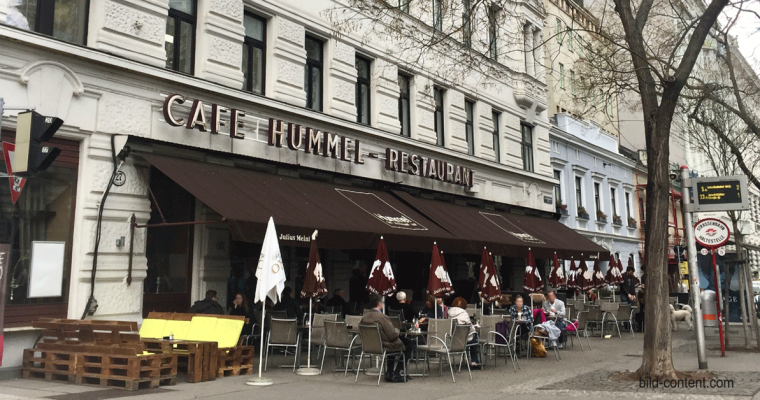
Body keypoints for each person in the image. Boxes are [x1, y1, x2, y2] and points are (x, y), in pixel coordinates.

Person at [361, 294, 415, 383]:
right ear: (380, 303)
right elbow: (392, 335)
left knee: (393, 345)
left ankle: (389, 372)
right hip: (384, 345)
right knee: (408, 345)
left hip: (370, 345)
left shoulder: (364, 317)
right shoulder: (382, 317)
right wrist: (397, 330)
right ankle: (397, 373)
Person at [448, 297, 480, 369]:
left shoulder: (449, 313)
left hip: (453, 340)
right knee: (474, 340)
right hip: (465, 340)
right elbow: (470, 327)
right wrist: (474, 330)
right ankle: (474, 362)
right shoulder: (464, 313)